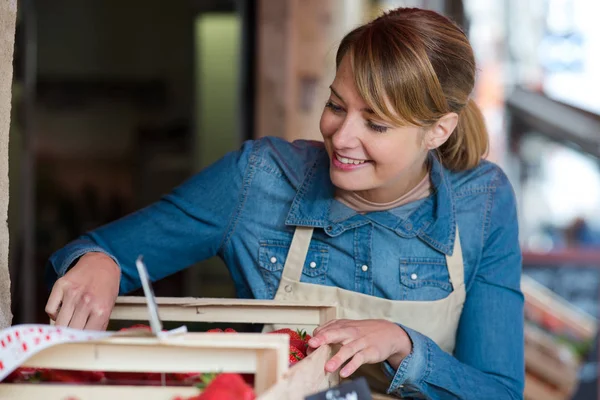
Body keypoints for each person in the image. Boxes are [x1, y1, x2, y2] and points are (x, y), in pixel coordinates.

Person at [45, 7, 524, 399]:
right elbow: (109, 251)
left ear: (438, 131)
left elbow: (500, 393)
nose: (343, 137)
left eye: (375, 124)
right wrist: (100, 262)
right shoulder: (260, 179)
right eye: (337, 106)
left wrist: (403, 345)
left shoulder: (481, 202)